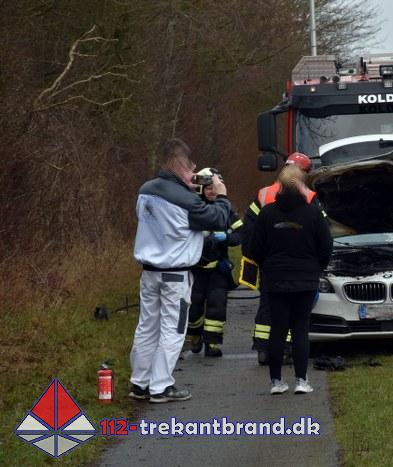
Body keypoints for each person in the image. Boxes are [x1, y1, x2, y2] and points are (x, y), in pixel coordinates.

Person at [130, 138, 230, 403]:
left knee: (147, 327)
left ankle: (140, 383)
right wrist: (221, 195)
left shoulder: (145, 190)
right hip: (176, 275)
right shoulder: (186, 200)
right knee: (173, 330)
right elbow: (219, 219)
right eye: (190, 165)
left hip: (149, 273)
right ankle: (161, 386)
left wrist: (187, 188)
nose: (194, 169)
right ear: (178, 163)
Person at [248, 164, 333, 395]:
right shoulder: (313, 213)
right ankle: (301, 380)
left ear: (280, 186)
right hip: (306, 278)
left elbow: (255, 247)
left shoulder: (267, 213)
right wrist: (317, 267)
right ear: (301, 186)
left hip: (275, 279)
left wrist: (268, 266)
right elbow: (326, 246)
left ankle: (276, 382)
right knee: (300, 330)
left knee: (277, 329)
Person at [241, 152, 320, 365]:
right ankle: (285, 349)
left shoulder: (263, 194)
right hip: (299, 264)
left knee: (267, 304)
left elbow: (249, 230)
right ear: (304, 173)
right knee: (292, 308)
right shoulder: (309, 196)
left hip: (270, 263)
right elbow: (321, 232)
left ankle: (262, 348)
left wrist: (256, 256)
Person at [186, 168, 244, 357]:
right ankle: (195, 334)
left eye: (214, 188)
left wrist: (226, 237)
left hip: (218, 269)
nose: (212, 191)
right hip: (195, 268)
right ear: (200, 189)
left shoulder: (226, 209)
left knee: (217, 306)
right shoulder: (194, 208)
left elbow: (240, 234)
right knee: (193, 306)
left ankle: (211, 343)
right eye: (208, 188)